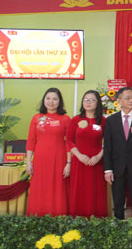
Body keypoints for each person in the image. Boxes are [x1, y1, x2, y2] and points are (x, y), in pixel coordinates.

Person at [103, 87, 132, 219]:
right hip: (117, 167)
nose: (131, 100)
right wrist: (108, 170)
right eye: (127, 98)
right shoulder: (111, 121)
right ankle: (119, 227)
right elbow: (107, 147)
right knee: (118, 201)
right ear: (119, 101)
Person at [26, 88, 71, 216]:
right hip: (40, 160)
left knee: (58, 188)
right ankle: (37, 217)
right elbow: (31, 141)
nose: (51, 102)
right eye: (48, 98)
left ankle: (59, 218)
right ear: (44, 100)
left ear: (59, 102)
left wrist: (69, 163)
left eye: (55, 99)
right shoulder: (36, 118)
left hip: (59, 160)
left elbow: (69, 143)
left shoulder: (65, 119)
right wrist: (28, 162)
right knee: (40, 188)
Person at [67, 90, 107, 218]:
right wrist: (79, 155)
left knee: (96, 192)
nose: (88, 102)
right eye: (85, 100)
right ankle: (77, 220)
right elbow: (69, 141)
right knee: (79, 191)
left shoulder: (104, 121)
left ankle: (97, 221)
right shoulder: (76, 119)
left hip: (96, 162)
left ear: (98, 103)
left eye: (92, 100)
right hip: (79, 161)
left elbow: (109, 142)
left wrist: (99, 156)